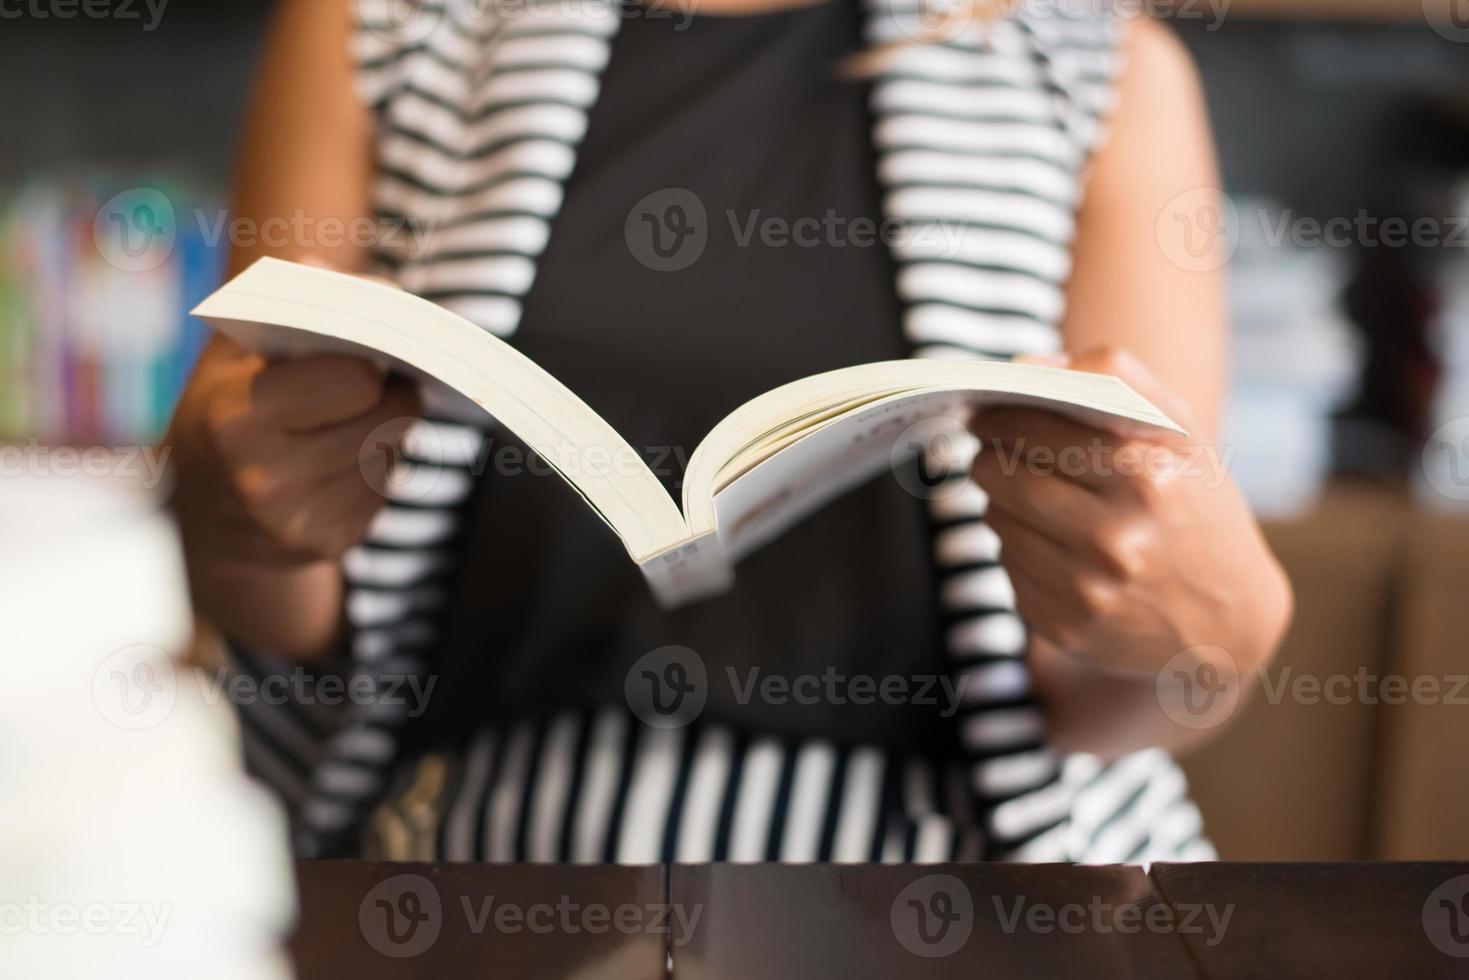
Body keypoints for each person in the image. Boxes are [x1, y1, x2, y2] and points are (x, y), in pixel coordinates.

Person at [166, 0, 1291, 863]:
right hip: (473, 848)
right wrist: (235, 525)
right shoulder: (383, 30)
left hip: (959, 870)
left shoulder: (1101, 69)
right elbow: (291, 615)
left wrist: (1211, 639)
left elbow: (1106, 680)